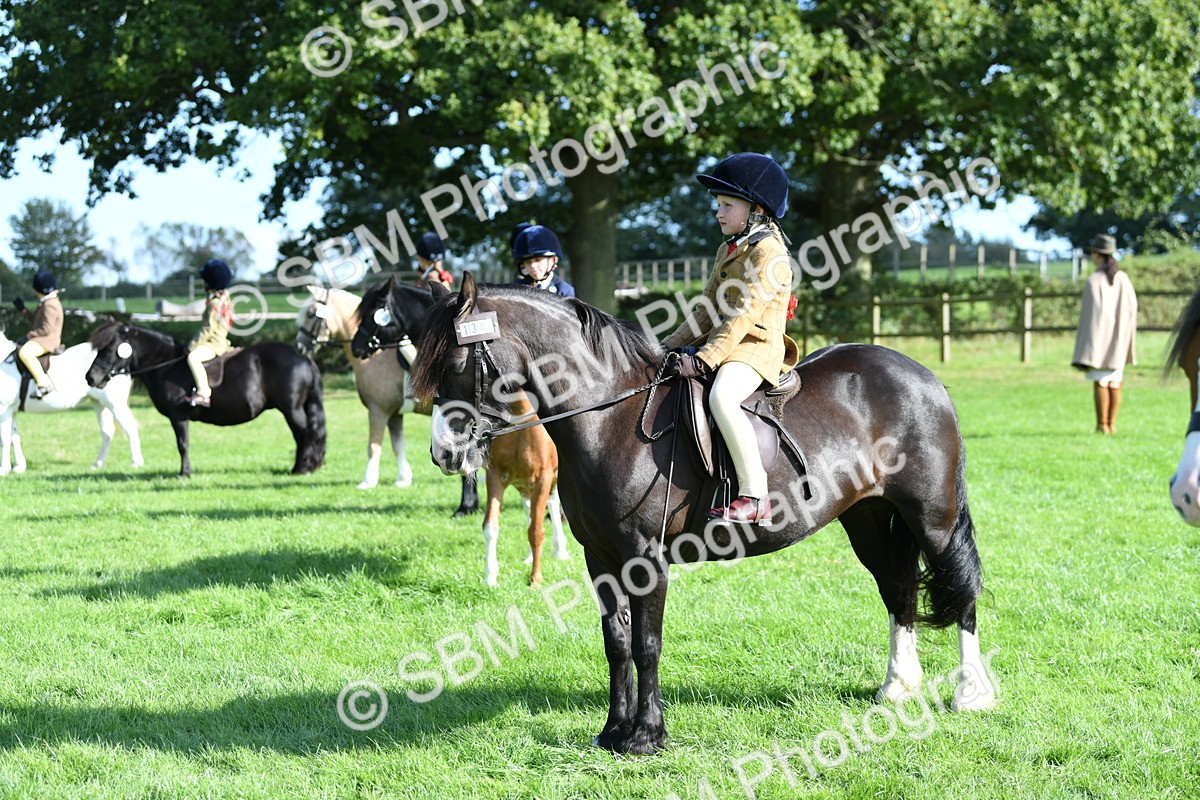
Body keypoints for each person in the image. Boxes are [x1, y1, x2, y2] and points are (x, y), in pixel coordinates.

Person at [661, 152, 800, 524]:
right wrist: (666, 348)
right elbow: (707, 309)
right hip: (729, 345)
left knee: (722, 396)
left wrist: (705, 359)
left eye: (727, 204)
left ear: (756, 209)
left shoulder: (770, 253)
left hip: (756, 348)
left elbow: (742, 317)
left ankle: (756, 497)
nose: (718, 213)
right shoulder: (729, 248)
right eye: (718, 205)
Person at [1072, 234, 1137, 434]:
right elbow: (1132, 308)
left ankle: (1102, 425)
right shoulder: (1123, 279)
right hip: (1118, 339)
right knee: (1115, 381)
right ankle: (1111, 424)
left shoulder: (1095, 280)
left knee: (1101, 381)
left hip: (1099, 341)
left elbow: (1090, 316)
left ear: (1097, 255)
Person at [184, 259, 235, 408]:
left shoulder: (214, 304)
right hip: (221, 340)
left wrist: (192, 345)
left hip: (214, 344)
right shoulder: (225, 300)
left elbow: (207, 329)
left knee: (193, 358)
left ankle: (203, 393)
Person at [13, 270, 64, 398]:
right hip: (43, 338)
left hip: (48, 340)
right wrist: (22, 310)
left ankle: (44, 384)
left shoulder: (50, 305)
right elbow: (35, 321)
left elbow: (45, 329)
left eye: (35, 290)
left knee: (25, 352)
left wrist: (28, 337)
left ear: (40, 289)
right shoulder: (46, 302)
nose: (34, 292)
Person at [512, 225, 575, 297]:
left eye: (537, 260)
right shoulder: (517, 289)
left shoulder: (564, 291)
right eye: (528, 262)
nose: (532, 265)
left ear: (553, 260)